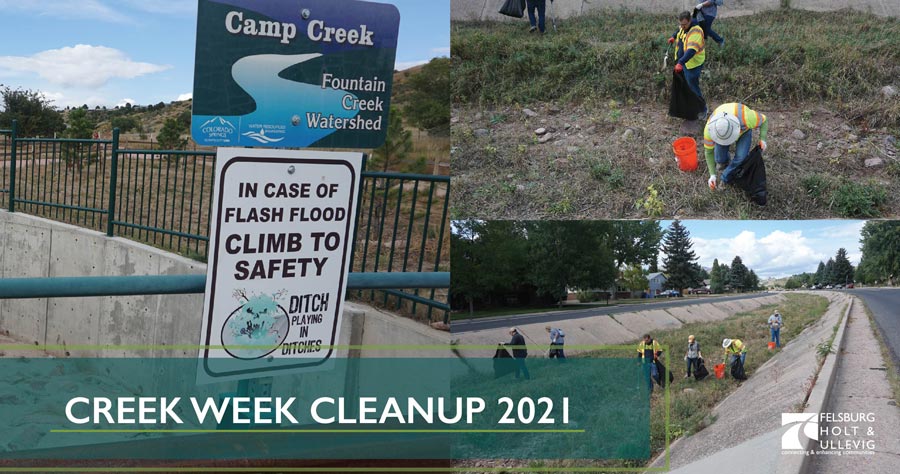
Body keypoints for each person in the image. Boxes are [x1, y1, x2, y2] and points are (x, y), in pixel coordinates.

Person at [703, 102, 769, 190]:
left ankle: (725, 178)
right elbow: (708, 152)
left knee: (741, 157)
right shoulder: (709, 130)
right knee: (719, 158)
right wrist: (712, 175)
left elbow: (764, 120)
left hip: (743, 132)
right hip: (722, 130)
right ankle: (724, 163)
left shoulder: (747, 117)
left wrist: (762, 139)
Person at [668, 11, 707, 120]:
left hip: (693, 64)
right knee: (686, 85)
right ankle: (691, 106)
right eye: (680, 24)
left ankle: (703, 109)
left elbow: (690, 51)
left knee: (692, 86)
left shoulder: (696, 31)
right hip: (684, 63)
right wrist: (673, 36)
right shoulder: (684, 26)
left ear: (690, 21)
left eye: (684, 24)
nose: (682, 26)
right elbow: (679, 30)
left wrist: (680, 62)